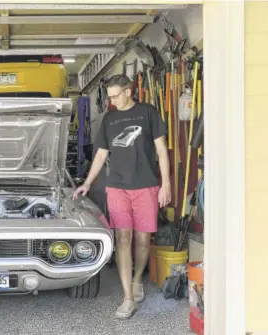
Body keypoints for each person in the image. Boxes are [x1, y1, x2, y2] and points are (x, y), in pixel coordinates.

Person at [73, 74, 171, 319]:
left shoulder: (148, 113)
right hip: (117, 187)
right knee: (123, 238)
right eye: (109, 96)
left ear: (129, 91)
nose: (112, 100)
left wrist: (166, 184)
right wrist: (87, 182)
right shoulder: (109, 119)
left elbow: (162, 150)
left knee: (142, 240)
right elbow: (101, 154)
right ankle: (127, 297)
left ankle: (138, 279)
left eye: (116, 95)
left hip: (146, 186)